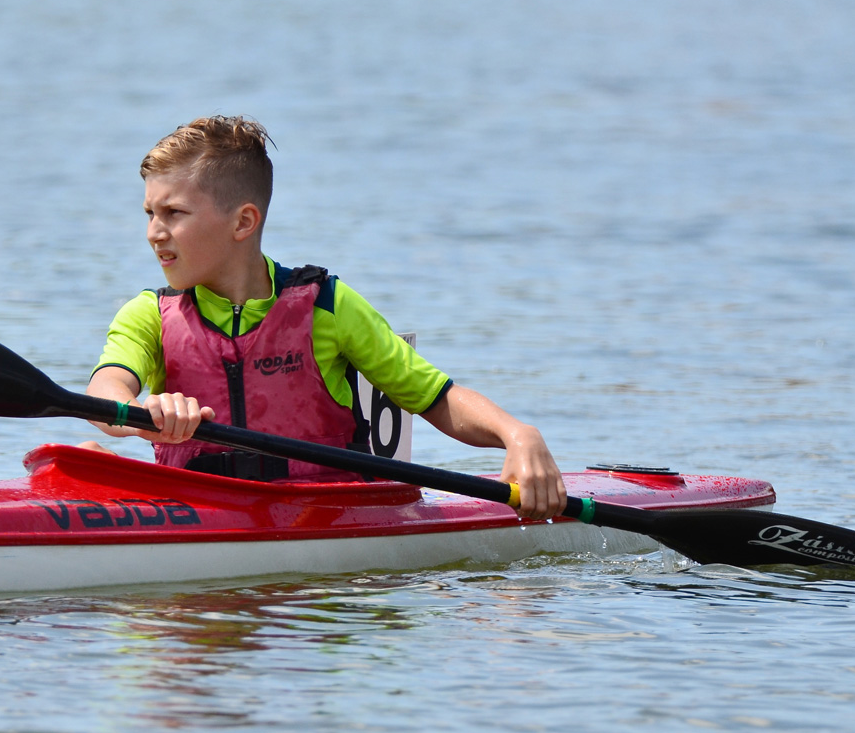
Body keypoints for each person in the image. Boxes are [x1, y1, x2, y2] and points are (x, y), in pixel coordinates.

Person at [85, 116, 566, 519]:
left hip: (329, 517)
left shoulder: (325, 305)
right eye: (149, 212)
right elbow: (105, 394)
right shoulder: (148, 313)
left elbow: (436, 398)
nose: (154, 232)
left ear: (243, 222)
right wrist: (145, 416)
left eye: (173, 212)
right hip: (199, 512)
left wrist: (517, 434)